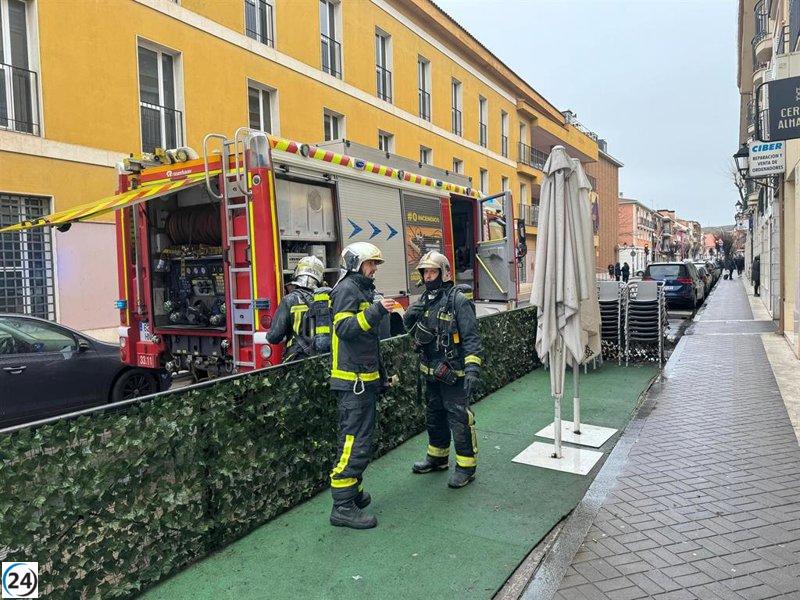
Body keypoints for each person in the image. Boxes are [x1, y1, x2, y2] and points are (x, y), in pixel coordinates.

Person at [328, 242, 395, 530]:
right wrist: (378, 311)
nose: (374, 269)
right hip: (352, 381)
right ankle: (342, 505)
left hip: (363, 380)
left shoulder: (360, 290)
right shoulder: (346, 290)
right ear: (356, 263)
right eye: (371, 264)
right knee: (354, 442)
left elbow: (368, 341)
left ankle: (352, 493)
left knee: (361, 439)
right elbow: (344, 329)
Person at [403, 251, 483, 489]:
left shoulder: (457, 300)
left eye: (432, 271)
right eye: (425, 272)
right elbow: (417, 335)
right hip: (430, 373)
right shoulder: (426, 299)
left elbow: (471, 338)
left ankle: (466, 467)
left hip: (453, 375)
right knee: (434, 416)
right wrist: (409, 318)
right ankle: (437, 458)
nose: (428, 277)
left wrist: (471, 370)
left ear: (444, 273)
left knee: (459, 418)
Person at [267, 255, 327, 361]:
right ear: (320, 277)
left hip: (296, 359)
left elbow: (274, 337)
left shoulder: (289, 300)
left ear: (297, 273)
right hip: (322, 358)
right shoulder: (325, 299)